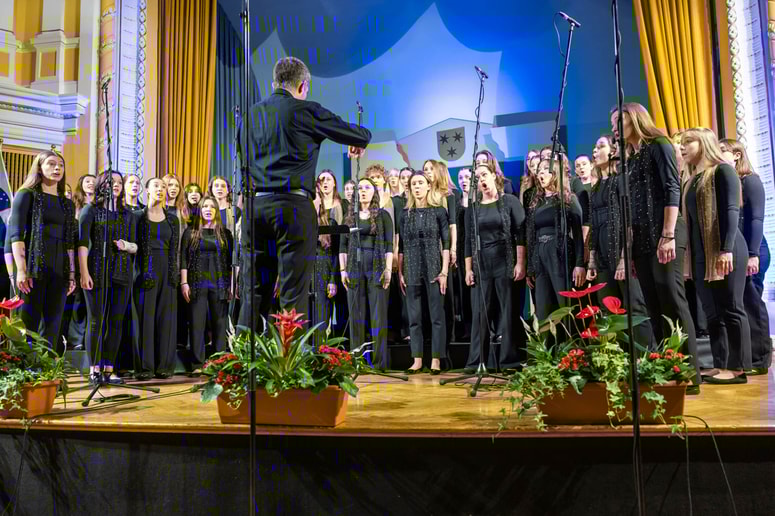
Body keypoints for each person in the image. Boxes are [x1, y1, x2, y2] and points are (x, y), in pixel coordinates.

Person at [239, 56, 371, 332]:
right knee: (292, 293)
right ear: (302, 86)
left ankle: (241, 365)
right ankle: (289, 368)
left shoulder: (249, 115)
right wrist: (359, 141)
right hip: (291, 207)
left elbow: (243, 159)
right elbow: (355, 133)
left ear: (274, 82)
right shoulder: (305, 110)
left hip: (254, 208)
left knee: (254, 293)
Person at [611, 103, 700, 391]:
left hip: (666, 233)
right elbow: (630, 209)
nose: (613, 127)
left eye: (617, 121)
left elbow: (672, 189)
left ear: (634, 119)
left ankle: (689, 375)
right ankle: (668, 372)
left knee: (672, 300)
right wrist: (628, 253)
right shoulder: (630, 159)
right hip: (642, 241)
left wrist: (668, 234)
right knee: (654, 307)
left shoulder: (659, 144)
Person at [681, 128, 751, 384]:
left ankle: (739, 367)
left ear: (705, 143)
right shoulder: (691, 179)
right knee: (712, 312)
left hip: (726, 249)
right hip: (701, 253)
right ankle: (721, 363)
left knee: (731, 308)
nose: (682, 147)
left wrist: (726, 249)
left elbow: (731, 210)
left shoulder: (723, 170)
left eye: (688, 142)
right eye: (681, 143)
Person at [586, 135, 655, 350]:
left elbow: (628, 219)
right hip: (603, 252)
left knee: (634, 304)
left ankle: (645, 355)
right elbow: (595, 225)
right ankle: (617, 356)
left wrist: (625, 258)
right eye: (594, 148)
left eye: (600, 147)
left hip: (621, 249)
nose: (595, 152)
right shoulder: (596, 187)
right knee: (607, 305)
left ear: (613, 150)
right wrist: (592, 260)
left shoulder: (621, 180)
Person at [10, 150, 77, 351]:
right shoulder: (26, 195)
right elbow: (16, 235)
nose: (57, 168)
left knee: (53, 326)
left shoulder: (67, 203)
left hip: (60, 269)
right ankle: (24, 372)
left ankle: (47, 373)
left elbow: (70, 243)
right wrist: (21, 270)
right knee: (27, 323)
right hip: (33, 267)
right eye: (51, 164)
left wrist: (72, 274)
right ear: (39, 167)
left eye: (60, 165)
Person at [464, 163, 526, 372]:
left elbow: (520, 233)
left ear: (494, 176)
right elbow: (468, 240)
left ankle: (509, 361)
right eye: (478, 176)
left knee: (508, 311)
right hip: (482, 263)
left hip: (505, 260)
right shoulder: (473, 209)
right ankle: (477, 361)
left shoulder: (509, 201)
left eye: (484, 174)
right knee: (480, 313)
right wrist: (468, 269)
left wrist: (520, 262)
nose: (481, 179)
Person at [78, 171, 137, 384]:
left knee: (116, 321)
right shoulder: (90, 211)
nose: (117, 185)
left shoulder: (127, 214)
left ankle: (109, 369)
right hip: (96, 269)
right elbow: (82, 244)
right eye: (112, 182)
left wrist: (126, 246)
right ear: (102, 185)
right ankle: (94, 369)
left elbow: (136, 245)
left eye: (120, 182)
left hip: (121, 271)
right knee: (96, 321)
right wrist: (83, 272)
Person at [720, 138, 770, 375]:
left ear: (737, 155)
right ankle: (747, 357)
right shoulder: (729, 182)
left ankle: (761, 359)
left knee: (752, 301)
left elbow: (756, 219)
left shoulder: (750, 180)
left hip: (754, 249)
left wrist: (752, 254)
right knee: (741, 302)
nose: (718, 154)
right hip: (740, 250)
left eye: (723, 151)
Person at [399, 172, 449, 373]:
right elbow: (401, 245)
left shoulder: (438, 211)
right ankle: (417, 359)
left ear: (429, 186)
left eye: (420, 183)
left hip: (433, 266)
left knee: (436, 316)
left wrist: (444, 271)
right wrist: (400, 272)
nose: (417, 187)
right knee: (414, 317)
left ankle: (436, 359)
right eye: (413, 184)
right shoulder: (405, 214)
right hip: (411, 266)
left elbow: (445, 243)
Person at [339, 178, 392, 369]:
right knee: (356, 317)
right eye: (360, 188)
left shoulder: (383, 215)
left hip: (376, 265)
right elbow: (342, 245)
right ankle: (357, 362)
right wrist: (342, 270)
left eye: (367, 187)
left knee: (378, 316)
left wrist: (388, 268)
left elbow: (388, 245)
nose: (363, 191)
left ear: (374, 192)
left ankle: (379, 363)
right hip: (354, 266)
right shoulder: (349, 216)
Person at [526, 158, 585, 322]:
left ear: (556, 174)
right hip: (541, 255)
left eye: (546, 169)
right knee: (543, 306)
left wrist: (580, 263)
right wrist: (530, 266)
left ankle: (571, 346)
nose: (541, 173)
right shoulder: (536, 202)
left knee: (564, 304)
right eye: (539, 170)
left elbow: (579, 233)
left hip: (560, 253)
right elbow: (531, 235)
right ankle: (548, 346)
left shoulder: (568, 199)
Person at [133, 177, 180, 379]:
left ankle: (164, 366)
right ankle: (145, 367)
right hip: (145, 269)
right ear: (147, 190)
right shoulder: (138, 217)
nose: (161, 189)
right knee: (146, 317)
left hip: (167, 271)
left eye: (163, 187)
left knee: (166, 319)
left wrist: (174, 274)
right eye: (156, 186)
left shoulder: (173, 219)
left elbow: (175, 249)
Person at [180, 195, 233, 372]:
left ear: (216, 210)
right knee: (197, 323)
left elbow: (231, 262)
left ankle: (219, 363)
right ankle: (196, 363)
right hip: (196, 282)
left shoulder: (225, 234)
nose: (208, 209)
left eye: (212, 207)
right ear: (200, 210)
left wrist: (232, 285)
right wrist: (184, 283)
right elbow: (183, 259)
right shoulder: (190, 232)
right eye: (205, 207)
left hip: (219, 283)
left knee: (220, 324)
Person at [312, 170, 344, 339]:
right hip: (314, 268)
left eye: (328, 179)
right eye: (321, 180)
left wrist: (333, 278)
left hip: (331, 267)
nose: (325, 183)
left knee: (331, 312)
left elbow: (337, 249)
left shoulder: (336, 214)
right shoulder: (309, 215)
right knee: (314, 313)